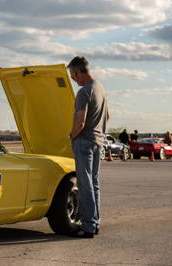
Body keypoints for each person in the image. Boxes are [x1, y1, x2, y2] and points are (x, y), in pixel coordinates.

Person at [68, 56, 109, 238]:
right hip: (98, 141)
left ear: (78, 72)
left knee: (85, 185)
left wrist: (72, 136)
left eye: (73, 75)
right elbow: (107, 116)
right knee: (94, 183)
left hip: (84, 141)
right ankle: (95, 222)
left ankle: (88, 226)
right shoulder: (100, 88)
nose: (73, 79)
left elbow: (81, 121)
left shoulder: (84, 92)